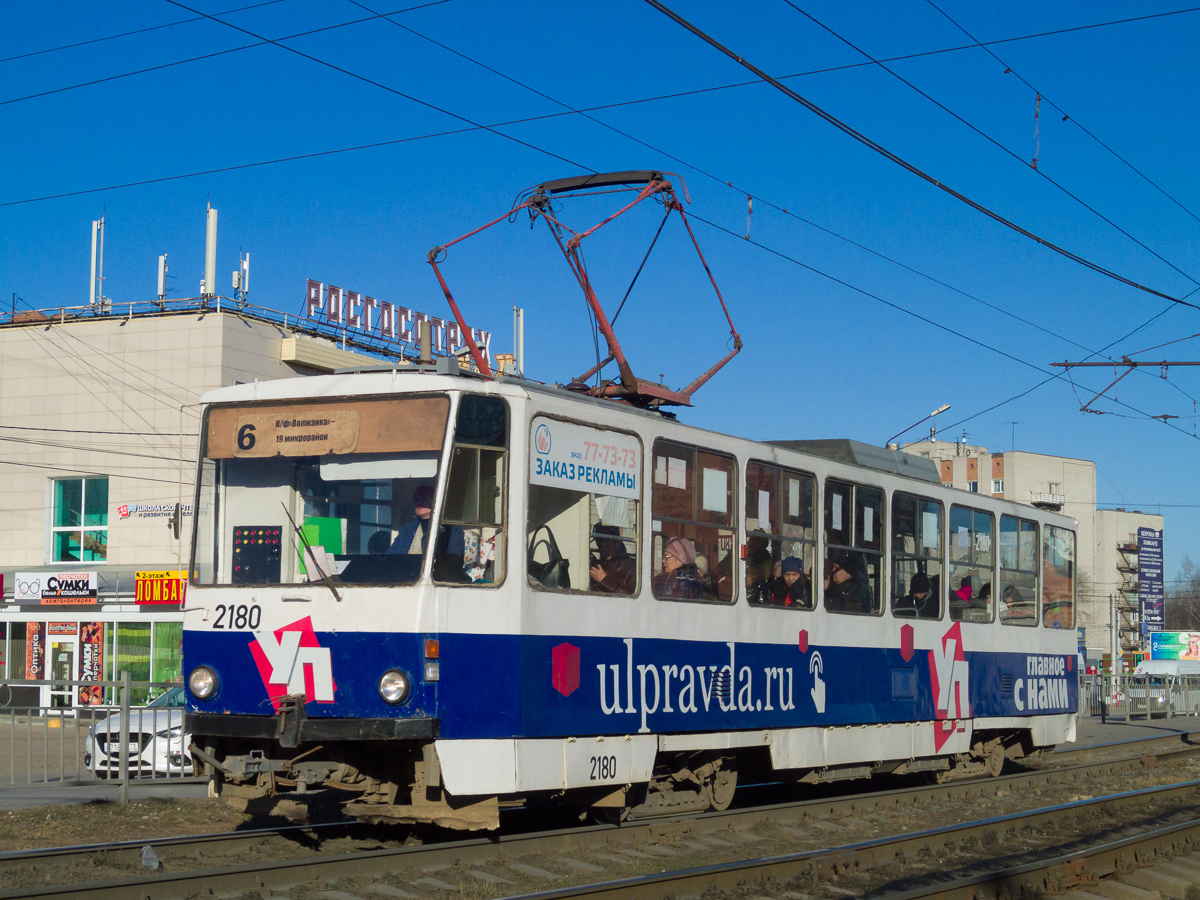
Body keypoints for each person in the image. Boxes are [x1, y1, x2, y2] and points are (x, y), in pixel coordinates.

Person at [387, 484, 465, 579]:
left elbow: (452, 562)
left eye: (424, 498)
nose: (419, 503)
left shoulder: (451, 528)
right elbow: (390, 558)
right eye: (416, 500)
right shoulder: (406, 530)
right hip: (404, 578)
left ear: (435, 501)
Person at [589, 525, 637, 594]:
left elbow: (632, 597)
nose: (603, 545)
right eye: (599, 541)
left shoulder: (633, 567)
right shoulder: (598, 565)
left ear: (617, 542)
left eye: (607, 541)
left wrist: (604, 580)